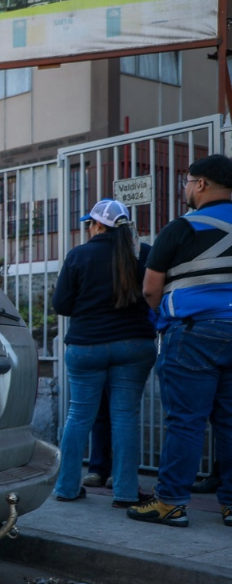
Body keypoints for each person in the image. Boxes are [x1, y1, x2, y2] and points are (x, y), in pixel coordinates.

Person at [133, 154, 232, 528]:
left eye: (187, 182)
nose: (186, 189)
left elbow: (150, 288)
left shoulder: (180, 228)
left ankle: (171, 503)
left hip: (192, 333)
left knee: (186, 422)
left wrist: (163, 319)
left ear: (201, 184)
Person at [51, 198, 157, 507]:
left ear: (98, 225)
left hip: (86, 346)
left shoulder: (79, 255)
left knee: (78, 416)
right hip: (134, 345)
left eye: (89, 223)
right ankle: (125, 492)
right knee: (125, 417)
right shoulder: (144, 254)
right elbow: (154, 293)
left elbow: (61, 304)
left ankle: (67, 487)